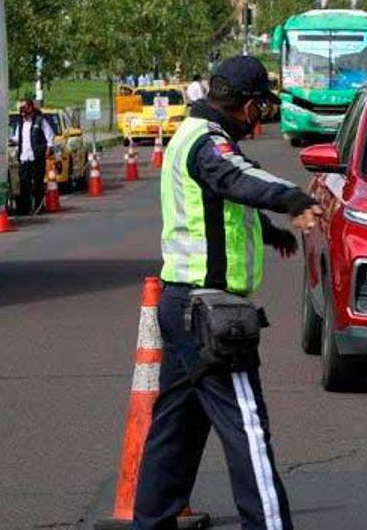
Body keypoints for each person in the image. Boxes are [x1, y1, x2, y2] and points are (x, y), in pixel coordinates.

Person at [132, 56, 322, 530]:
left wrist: (268, 230)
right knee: (248, 432)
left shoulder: (190, 135)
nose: (263, 119)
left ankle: (149, 522)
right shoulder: (210, 143)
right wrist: (295, 200)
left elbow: (219, 201)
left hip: (181, 303)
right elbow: (234, 178)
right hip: (209, 312)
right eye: (262, 108)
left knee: (174, 431)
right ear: (246, 104)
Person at [9, 99, 55, 215]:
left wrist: (49, 148)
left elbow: (49, 134)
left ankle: (39, 207)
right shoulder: (21, 123)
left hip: (36, 156)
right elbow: (17, 138)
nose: (22, 112)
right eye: (21, 110)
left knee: (37, 183)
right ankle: (25, 208)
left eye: (24, 108)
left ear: (30, 108)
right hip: (24, 157)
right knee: (24, 183)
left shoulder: (39, 121)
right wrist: (11, 140)